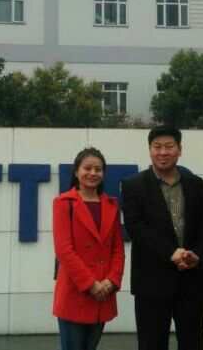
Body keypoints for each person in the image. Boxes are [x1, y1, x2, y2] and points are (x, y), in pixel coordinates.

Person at [121, 125, 203, 350]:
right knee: (151, 344)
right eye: (157, 147)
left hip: (191, 281)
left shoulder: (196, 184)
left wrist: (196, 255)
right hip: (151, 283)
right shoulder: (133, 186)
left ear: (180, 150)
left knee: (192, 344)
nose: (163, 152)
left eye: (169, 146)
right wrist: (171, 252)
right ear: (150, 150)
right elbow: (135, 227)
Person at [53, 147, 125, 350]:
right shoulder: (63, 203)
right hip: (76, 291)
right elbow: (64, 250)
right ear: (76, 172)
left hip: (103, 292)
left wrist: (111, 281)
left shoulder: (111, 204)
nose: (93, 173)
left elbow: (117, 249)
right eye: (87, 168)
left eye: (98, 169)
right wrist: (91, 284)